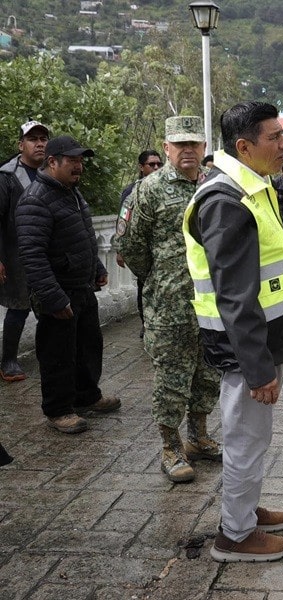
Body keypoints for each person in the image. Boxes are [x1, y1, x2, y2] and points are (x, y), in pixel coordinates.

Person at [183, 101, 283, 562]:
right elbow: (235, 295)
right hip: (246, 349)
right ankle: (235, 535)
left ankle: (247, 511)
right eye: (274, 137)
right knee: (245, 438)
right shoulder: (225, 200)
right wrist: (258, 369)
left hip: (266, 339)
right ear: (244, 146)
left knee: (254, 435)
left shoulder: (252, 185)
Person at [116, 116, 221, 483]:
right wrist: (161, 278)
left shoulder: (214, 185)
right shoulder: (149, 189)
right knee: (171, 379)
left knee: (208, 373)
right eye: (180, 144)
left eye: (194, 143)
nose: (188, 149)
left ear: (204, 147)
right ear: (167, 148)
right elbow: (131, 245)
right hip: (169, 304)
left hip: (211, 301)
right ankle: (170, 448)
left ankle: (198, 437)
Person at [16, 135, 121, 434]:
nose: (79, 166)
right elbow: (32, 255)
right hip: (58, 291)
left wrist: (97, 267)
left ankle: (86, 396)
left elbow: (84, 236)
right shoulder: (35, 199)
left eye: (80, 161)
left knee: (88, 346)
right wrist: (53, 298)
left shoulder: (71, 192)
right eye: (72, 160)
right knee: (57, 353)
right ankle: (59, 409)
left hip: (81, 287)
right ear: (52, 162)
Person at [0, 120, 50, 382]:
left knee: (49, 306)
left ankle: (48, 355)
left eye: (43, 139)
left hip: (45, 253)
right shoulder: (6, 176)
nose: (39, 144)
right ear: (21, 145)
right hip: (15, 253)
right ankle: (8, 361)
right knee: (18, 307)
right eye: (33, 139)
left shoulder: (50, 173)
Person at [115, 149, 162, 337]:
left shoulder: (166, 187)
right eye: (152, 164)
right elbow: (123, 221)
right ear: (141, 167)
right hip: (143, 251)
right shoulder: (131, 191)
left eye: (159, 164)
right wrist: (120, 250)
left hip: (163, 250)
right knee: (144, 287)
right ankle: (146, 323)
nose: (156, 167)